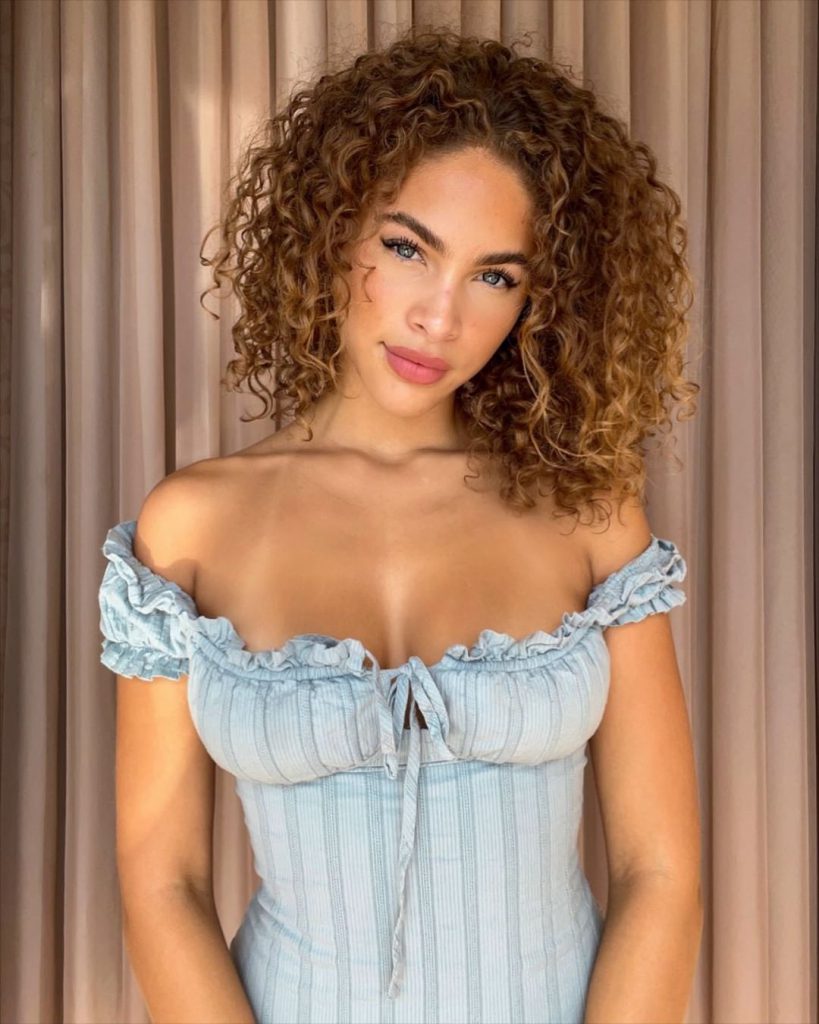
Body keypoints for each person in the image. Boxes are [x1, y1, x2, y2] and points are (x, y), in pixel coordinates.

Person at [98, 26, 703, 1024]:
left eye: (495, 275)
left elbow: (661, 871)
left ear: (541, 302)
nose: (439, 317)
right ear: (333, 228)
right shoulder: (191, 528)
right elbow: (162, 881)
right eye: (408, 247)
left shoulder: (588, 511)